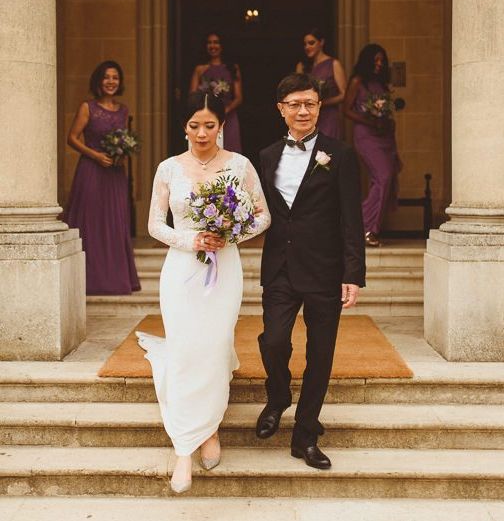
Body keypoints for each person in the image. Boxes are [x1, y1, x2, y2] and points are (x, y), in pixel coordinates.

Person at [137, 92, 270, 493]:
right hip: (181, 270)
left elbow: (263, 215)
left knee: (213, 347)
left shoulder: (239, 166)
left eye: (209, 125)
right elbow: (154, 225)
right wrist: (190, 240)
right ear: (184, 126)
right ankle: (183, 447)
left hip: (224, 268)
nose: (201, 133)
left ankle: (209, 429)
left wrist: (230, 234)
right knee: (184, 350)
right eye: (194, 125)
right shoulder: (168, 168)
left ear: (222, 125)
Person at [256, 73, 365, 469]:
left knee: (320, 354)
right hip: (280, 268)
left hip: (325, 270)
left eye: (311, 104)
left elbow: (351, 219)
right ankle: (279, 395)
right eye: (295, 104)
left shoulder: (341, 155)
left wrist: (353, 273)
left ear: (319, 107)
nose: (303, 111)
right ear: (281, 109)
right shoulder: (266, 156)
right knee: (273, 341)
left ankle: (305, 435)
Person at [65, 60, 140, 295]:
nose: (111, 82)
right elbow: (72, 138)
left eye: (115, 78)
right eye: (107, 77)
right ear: (99, 81)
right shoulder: (87, 107)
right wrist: (96, 155)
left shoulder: (124, 110)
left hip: (115, 175)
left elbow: (126, 140)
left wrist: (122, 153)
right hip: (91, 171)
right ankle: (88, 280)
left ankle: (115, 279)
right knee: (91, 222)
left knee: (115, 223)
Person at [343, 44, 401, 247]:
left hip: (385, 137)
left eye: (382, 61)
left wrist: (386, 120)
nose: (379, 64)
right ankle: (364, 227)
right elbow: (346, 110)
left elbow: (387, 112)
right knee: (382, 177)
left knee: (385, 180)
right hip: (366, 136)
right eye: (375, 60)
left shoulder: (383, 86)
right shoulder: (358, 82)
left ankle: (369, 229)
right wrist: (369, 120)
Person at [190, 32, 243, 153]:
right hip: (206, 116)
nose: (212, 46)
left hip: (228, 117)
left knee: (230, 152)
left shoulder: (232, 68)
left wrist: (225, 110)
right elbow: (192, 95)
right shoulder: (200, 69)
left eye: (216, 42)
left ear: (222, 45)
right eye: (209, 43)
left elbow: (239, 97)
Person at [295, 28, 346, 139]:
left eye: (311, 43)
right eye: (305, 44)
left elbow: (344, 94)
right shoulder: (302, 66)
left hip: (329, 117)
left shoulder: (333, 64)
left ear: (321, 42)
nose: (307, 47)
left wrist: (323, 103)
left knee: (327, 151)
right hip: (307, 116)